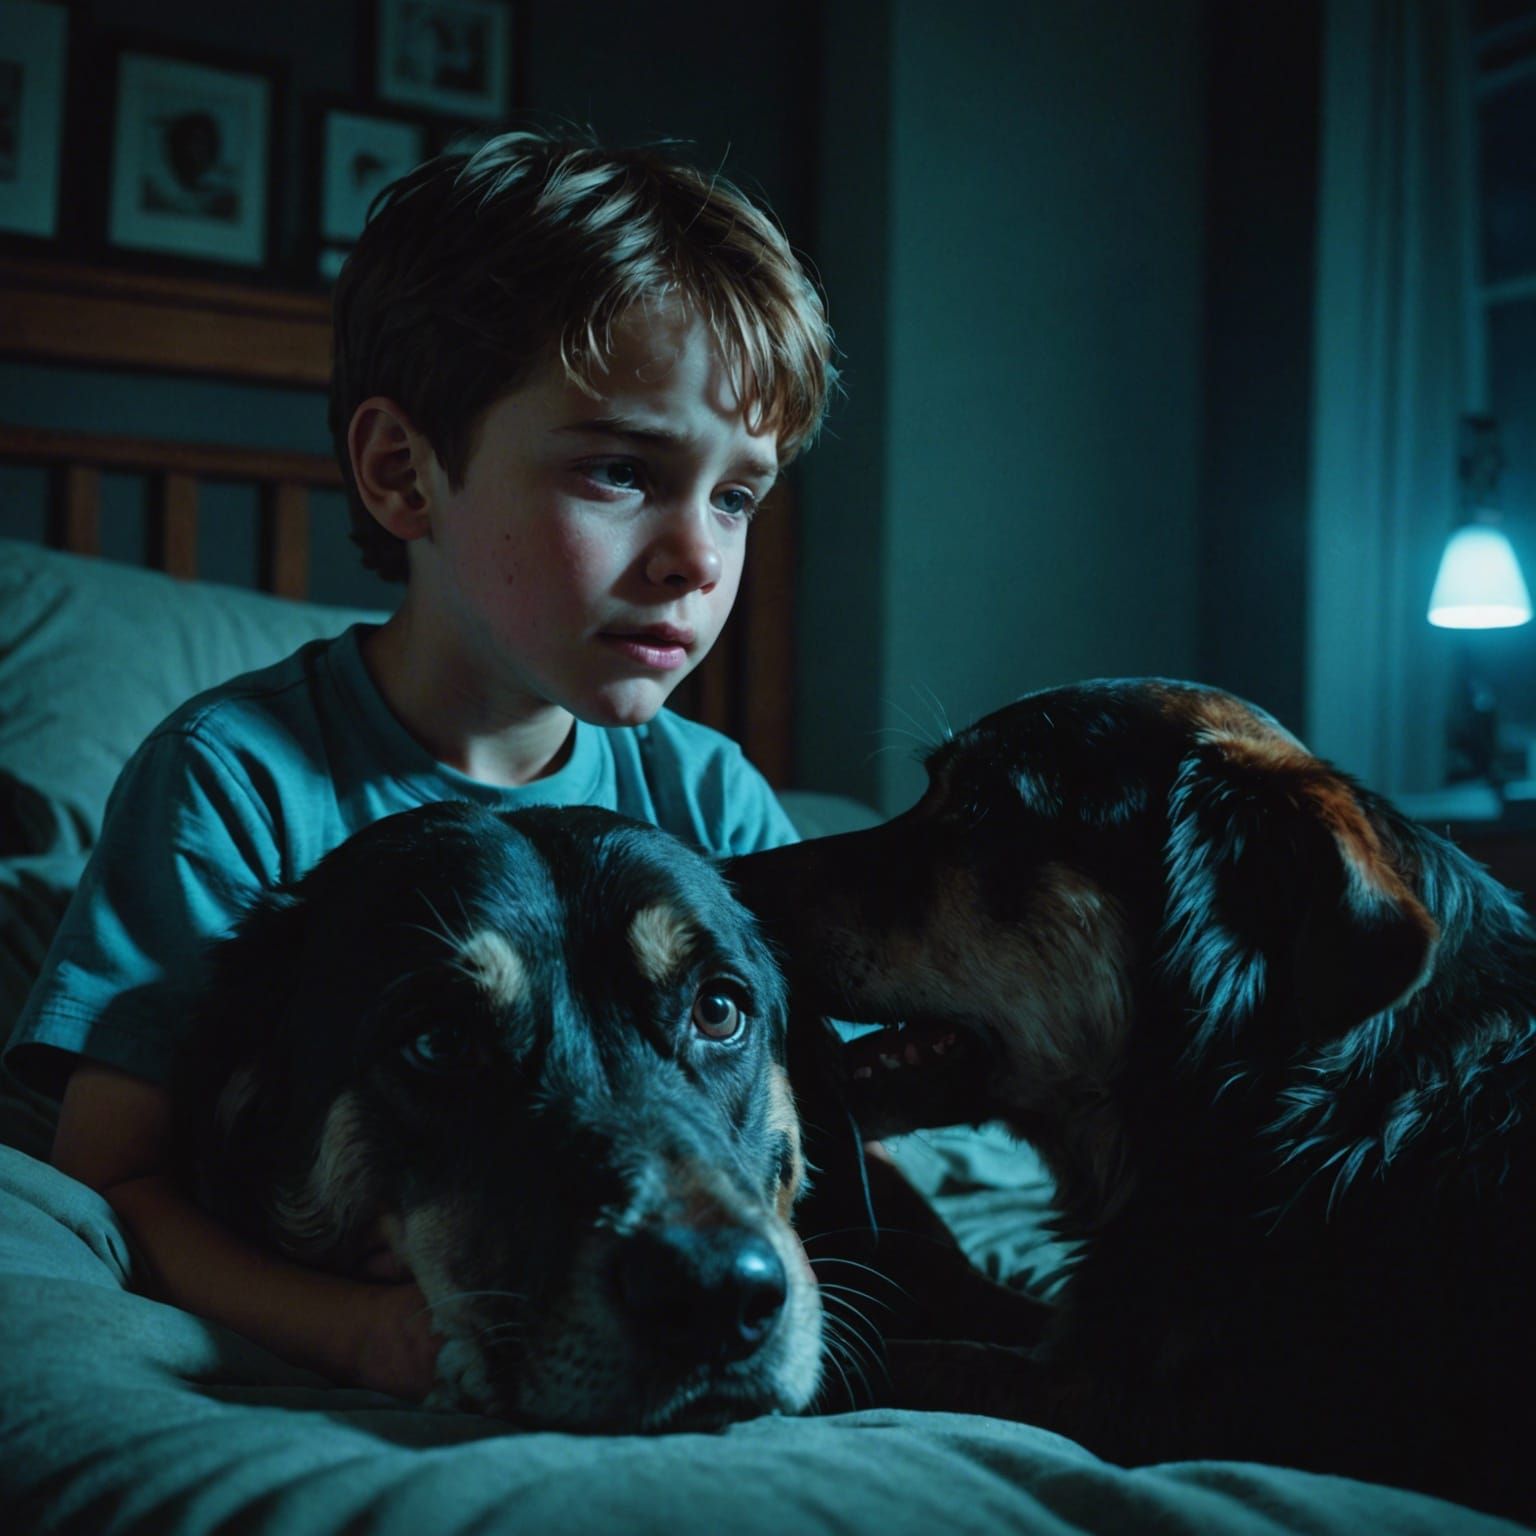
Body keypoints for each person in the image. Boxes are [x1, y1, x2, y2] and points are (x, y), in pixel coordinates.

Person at [5, 129, 837, 1402]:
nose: (699, 559)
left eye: (736, 497)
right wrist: (353, 1333)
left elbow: (797, 1121)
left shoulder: (714, 803)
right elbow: (109, 1181)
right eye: (623, 471)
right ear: (404, 473)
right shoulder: (233, 779)